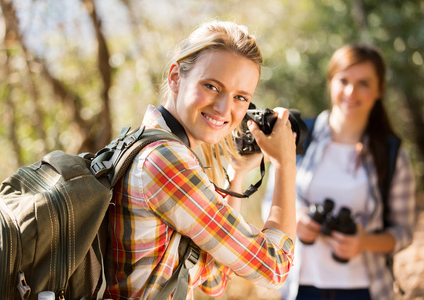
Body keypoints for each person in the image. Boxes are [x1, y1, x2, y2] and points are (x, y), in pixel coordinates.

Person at [104, 20, 298, 299]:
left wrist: (238, 173)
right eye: (211, 86)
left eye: (241, 97)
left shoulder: (144, 144)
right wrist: (285, 164)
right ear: (175, 77)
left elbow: (214, 279)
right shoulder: (166, 163)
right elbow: (275, 268)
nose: (224, 109)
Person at [262, 44, 416, 300]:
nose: (351, 91)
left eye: (364, 83)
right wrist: (297, 219)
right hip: (300, 286)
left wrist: (365, 242)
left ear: (379, 90)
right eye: (343, 80)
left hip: (365, 290)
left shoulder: (392, 155)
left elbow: (404, 232)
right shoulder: (297, 137)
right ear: (330, 82)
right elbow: (270, 202)